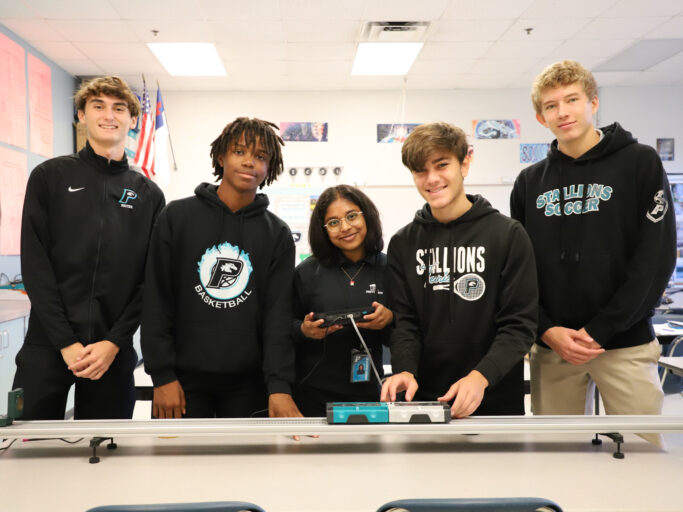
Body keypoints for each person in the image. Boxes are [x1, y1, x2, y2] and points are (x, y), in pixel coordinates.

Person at [510, 60, 675, 446]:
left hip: (625, 344)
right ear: (540, 116)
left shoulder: (640, 162)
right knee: (558, 456)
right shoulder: (529, 182)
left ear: (593, 102)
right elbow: (520, 271)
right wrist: (546, 330)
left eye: (572, 99)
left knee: (644, 456)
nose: (562, 111)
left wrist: (601, 329)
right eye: (551, 105)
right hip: (555, 348)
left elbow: (655, 259)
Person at [13, 76, 165, 420]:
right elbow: (35, 265)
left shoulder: (148, 195)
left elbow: (149, 280)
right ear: (81, 115)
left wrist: (114, 342)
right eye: (98, 106)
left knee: (106, 453)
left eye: (119, 108)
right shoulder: (50, 177)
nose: (108, 115)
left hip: (111, 350)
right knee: (29, 451)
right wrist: (65, 342)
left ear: (133, 120)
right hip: (48, 343)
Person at [142, 117, 301, 419]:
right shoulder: (176, 216)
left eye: (260, 156)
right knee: (176, 466)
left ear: (270, 167)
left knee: (245, 467)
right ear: (221, 156)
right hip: (180, 381)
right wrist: (162, 375)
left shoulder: (277, 234)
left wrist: (279, 385)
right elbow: (156, 299)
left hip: (249, 384)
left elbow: (278, 316)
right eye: (240, 152)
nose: (249, 162)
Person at [381, 122, 538, 417]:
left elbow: (520, 325)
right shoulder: (403, 243)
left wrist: (481, 377)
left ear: (465, 162)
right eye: (420, 171)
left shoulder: (508, 235)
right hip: (425, 403)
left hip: (494, 398)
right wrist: (404, 369)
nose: (432, 179)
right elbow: (405, 323)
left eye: (442, 165)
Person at [292, 185, 393, 417]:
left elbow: (407, 329)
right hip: (313, 396)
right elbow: (282, 327)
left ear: (366, 216)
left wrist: (390, 318)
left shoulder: (389, 269)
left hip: (371, 393)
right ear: (323, 230)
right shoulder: (307, 273)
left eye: (351, 216)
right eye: (334, 222)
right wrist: (303, 330)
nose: (345, 227)